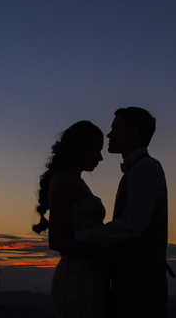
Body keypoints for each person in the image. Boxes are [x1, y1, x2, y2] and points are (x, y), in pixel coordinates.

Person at [75, 107, 168, 318]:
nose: (109, 134)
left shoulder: (145, 168)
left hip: (141, 284)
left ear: (133, 131)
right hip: (134, 280)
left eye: (115, 127)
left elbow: (131, 225)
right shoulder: (137, 169)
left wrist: (81, 237)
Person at [33, 120, 111, 318]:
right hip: (77, 277)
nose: (100, 157)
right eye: (96, 150)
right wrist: (105, 255)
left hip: (91, 274)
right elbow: (56, 240)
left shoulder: (77, 181)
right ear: (81, 148)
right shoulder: (62, 182)